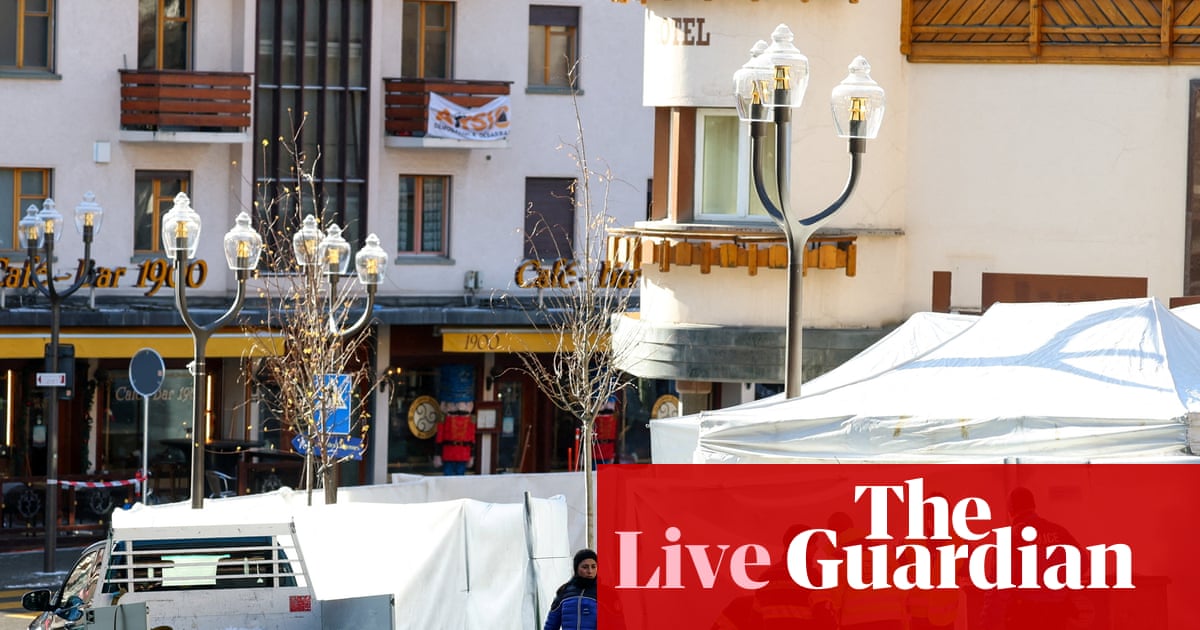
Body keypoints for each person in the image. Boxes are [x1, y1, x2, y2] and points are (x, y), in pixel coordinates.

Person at [545, 549, 598, 630]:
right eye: (585, 567)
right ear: (576, 568)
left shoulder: (607, 594)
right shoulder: (564, 592)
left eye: (593, 566)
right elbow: (551, 625)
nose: (590, 571)